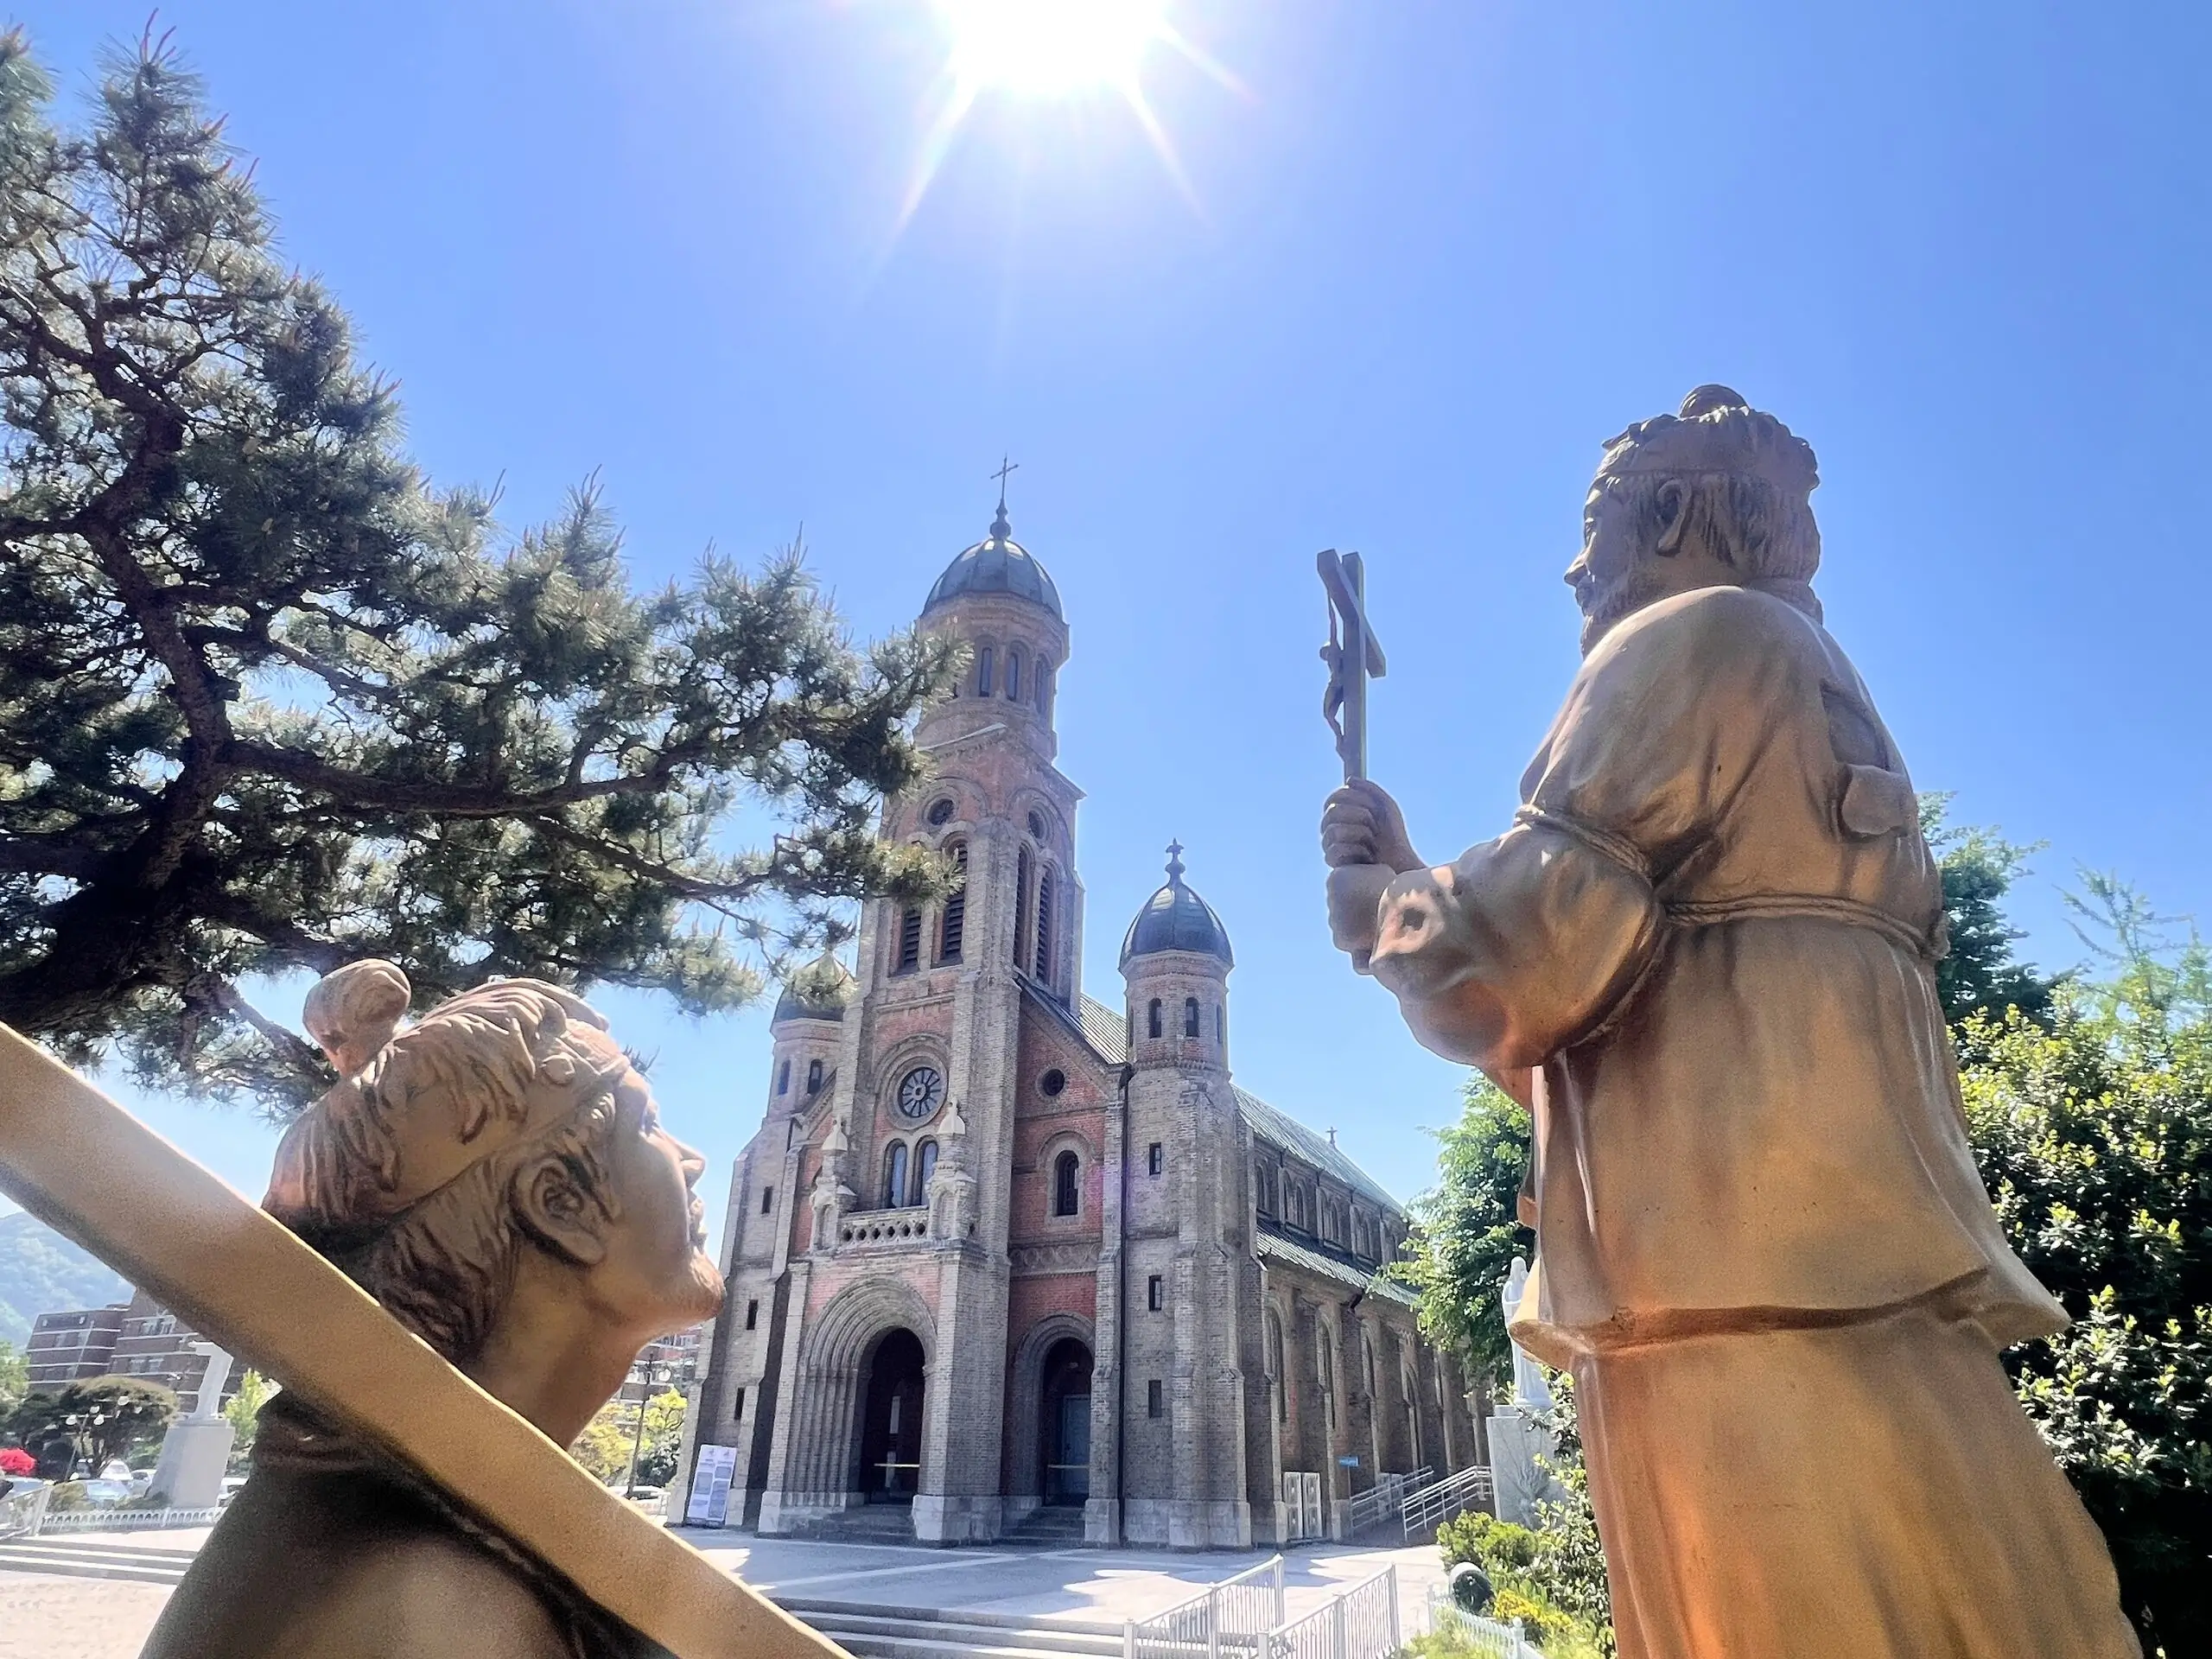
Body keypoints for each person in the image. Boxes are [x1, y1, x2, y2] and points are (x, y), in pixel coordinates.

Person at [1322, 388, 2139, 1658]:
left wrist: (1383, 908)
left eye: (1597, 531)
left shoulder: (1690, 638)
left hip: (1725, 1296)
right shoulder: (1809, 684)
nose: (1575, 569)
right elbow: (1636, 1032)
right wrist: (1421, 868)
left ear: (1674, 518)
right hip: (1854, 1286)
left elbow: (1533, 951)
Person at [143, 962, 721, 1659]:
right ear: (559, 1203)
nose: (693, 1160)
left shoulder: (402, 1514)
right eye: (650, 1125)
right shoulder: (440, 1607)